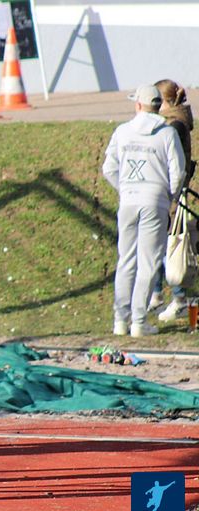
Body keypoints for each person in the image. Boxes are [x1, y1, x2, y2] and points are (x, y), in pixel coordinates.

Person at [103, 84, 186, 337]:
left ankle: (120, 320)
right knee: (148, 262)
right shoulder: (167, 134)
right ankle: (139, 321)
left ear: (138, 105)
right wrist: (169, 197)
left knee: (126, 260)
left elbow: (109, 168)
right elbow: (178, 172)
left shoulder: (122, 131)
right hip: (155, 200)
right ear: (158, 107)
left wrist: (125, 189)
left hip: (128, 201)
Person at [153, 79, 195, 323]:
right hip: (170, 191)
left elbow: (172, 164)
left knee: (171, 247)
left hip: (172, 193)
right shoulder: (175, 121)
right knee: (160, 243)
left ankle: (179, 298)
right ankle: (157, 292)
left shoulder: (174, 125)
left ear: (165, 101)